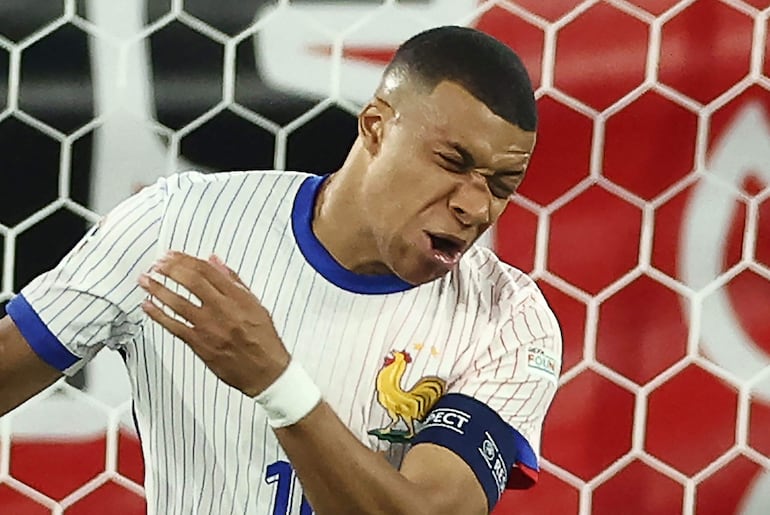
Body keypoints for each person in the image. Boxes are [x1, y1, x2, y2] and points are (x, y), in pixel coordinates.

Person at [0, 25, 562, 515]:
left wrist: (275, 382)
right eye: (452, 163)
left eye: (501, 186)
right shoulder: (178, 226)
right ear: (374, 127)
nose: (475, 206)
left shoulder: (508, 321)